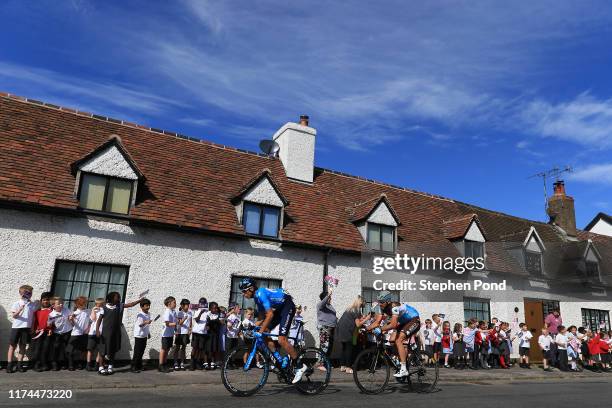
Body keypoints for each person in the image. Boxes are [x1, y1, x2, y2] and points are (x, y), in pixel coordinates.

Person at [239, 277, 308, 383]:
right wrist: (250, 326)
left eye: (244, 291)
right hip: (280, 308)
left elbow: (270, 315)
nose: (243, 294)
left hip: (287, 306)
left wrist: (260, 331)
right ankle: (279, 359)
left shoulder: (260, 294)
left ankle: (300, 366)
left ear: (251, 288)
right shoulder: (257, 298)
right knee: (265, 332)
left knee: (281, 340)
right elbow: (262, 317)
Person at [374, 292, 420, 378]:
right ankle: (402, 361)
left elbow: (393, 325)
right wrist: (367, 329)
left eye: (382, 302)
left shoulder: (394, 306)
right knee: (392, 341)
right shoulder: (383, 308)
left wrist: (380, 329)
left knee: (399, 340)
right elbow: (377, 322)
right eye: (379, 302)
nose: (380, 304)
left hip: (414, 320)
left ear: (387, 301)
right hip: (404, 322)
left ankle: (403, 369)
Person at [96, 291, 142, 375]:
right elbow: (99, 320)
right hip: (106, 333)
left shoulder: (119, 306)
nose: (119, 298)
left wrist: (139, 300)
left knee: (112, 350)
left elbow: (131, 304)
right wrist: (97, 330)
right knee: (103, 350)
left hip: (115, 332)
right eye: (117, 297)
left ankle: (110, 366)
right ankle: (101, 367)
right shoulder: (104, 307)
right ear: (111, 298)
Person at [7, 284, 37, 373]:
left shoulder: (32, 305)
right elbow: (14, 316)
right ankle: (9, 364)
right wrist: (20, 309)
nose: (28, 295)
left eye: (30, 293)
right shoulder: (17, 303)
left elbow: (33, 317)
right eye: (26, 293)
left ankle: (19, 364)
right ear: (21, 293)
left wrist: (32, 327)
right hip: (16, 327)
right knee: (12, 345)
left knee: (23, 346)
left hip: (26, 328)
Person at [336, 295, 367, 374]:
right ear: (361, 302)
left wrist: (363, 318)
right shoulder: (356, 310)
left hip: (340, 329)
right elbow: (358, 325)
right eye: (364, 303)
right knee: (349, 348)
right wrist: (367, 318)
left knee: (344, 348)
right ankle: (348, 367)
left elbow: (356, 319)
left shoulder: (350, 309)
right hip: (348, 331)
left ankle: (343, 366)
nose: (364, 305)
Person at [31, 291, 53, 372]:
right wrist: (35, 329)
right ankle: (35, 364)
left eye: (47, 300)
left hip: (48, 332)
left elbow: (52, 322)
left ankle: (44, 364)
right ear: (41, 301)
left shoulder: (52, 311)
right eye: (44, 300)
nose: (46, 301)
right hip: (38, 333)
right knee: (37, 348)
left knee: (45, 348)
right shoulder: (37, 311)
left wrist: (50, 329)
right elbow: (35, 322)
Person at [48, 296, 73, 371]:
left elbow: (71, 315)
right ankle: (54, 364)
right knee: (56, 348)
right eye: (59, 304)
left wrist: (71, 317)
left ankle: (66, 364)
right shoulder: (52, 314)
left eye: (62, 303)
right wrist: (49, 324)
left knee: (67, 349)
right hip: (57, 333)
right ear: (53, 306)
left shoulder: (66, 310)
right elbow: (49, 324)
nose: (61, 305)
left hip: (67, 332)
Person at [67, 296, 90, 370]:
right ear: (77, 304)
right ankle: (71, 364)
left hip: (84, 333)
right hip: (75, 333)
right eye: (82, 303)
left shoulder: (88, 311)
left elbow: (91, 322)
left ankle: (79, 363)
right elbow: (72, 324)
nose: (84, 304)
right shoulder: (74, 313)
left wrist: (88, 329)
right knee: (71, 349)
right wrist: (71, 320)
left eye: (84, 302)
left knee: (82, 350)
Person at [131, 298, 152, 373]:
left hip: (144, 335)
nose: (148, 307)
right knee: (137, 352)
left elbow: (146, 326)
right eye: (146, 306)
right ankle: (133, 366)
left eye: (149, 305)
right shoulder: (140, 315)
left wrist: (148, 333)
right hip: (139, 335)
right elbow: (140, 325)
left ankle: (139, 365)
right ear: (142, 307)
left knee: (142, 351)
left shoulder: (148, 314)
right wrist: (146, 322)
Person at [316, 288, 337, 362]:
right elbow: (323, 302)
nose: (330, 299)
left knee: (329, 346)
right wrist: (329, 294)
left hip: (331, 328)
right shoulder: (320, 305)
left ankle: (326, 363)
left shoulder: (330, 306)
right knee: (324, 346)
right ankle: (320, 363)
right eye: (329, 298)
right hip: (324, 327)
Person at [159, 296, 177, 373]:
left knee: (167, 349)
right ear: (169, 303)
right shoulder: (167, 311)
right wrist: (176, 324)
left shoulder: (173, 311)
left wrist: (175, 329)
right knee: (164, 349)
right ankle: (160, 365)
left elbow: (173, 322)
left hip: (170, 334)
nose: (175, 304)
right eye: (174, 302)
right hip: (165, 335)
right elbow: (167, 323)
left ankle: (165, 363)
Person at [86, 298, 105, 372]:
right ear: (96, 304)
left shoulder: (105, 311)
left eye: (102, 304)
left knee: (99, 350)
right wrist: (93, 310)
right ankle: (88, 364)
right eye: (98, 304)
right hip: (92, 332)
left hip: (101, 332)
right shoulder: (94, 310)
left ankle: (97, 364)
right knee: (90, 349)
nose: (100, 306)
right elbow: (93, 319)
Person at [174, 299, 192, 371]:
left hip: (186, 333)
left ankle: (182, 363)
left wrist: (190, 330)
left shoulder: (190, 313)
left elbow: (190, 323)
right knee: (177, 348)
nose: (187, 307)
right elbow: (180, 323)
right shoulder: (179, 313)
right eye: (186, 305)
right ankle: (175, 362)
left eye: (188, 305)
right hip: (180, 332)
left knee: (183, 348)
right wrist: (184, 318)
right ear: (182, 305)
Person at [190, 298, 208, 370]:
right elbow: (197, 320)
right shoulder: (197, 311)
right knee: (195, 348)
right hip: (196, 332)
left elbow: (208, 320)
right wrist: (201, 312)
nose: (202, 304)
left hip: (203, 333)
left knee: (201, 348)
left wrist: (208, 326)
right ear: (199, 303)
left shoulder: (207, 312)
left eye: (204, 303)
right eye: (201, 303)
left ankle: (197, 362)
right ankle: (192, 363)